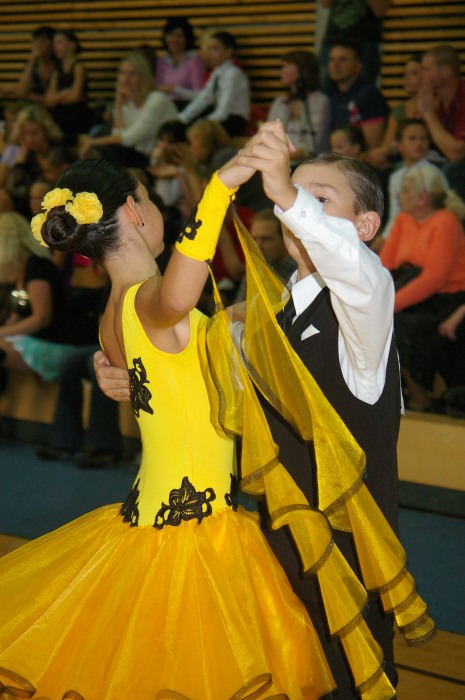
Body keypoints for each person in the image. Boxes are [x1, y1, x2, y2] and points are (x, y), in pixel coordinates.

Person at [95, 123, 435, 698]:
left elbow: (357, 269)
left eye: (319, 199)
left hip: (349, 559)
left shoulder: (366, 299)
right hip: (275, 552)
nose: (296, 209)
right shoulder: (266, 316)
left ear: (364, 227)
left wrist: (282, 189)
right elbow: (193, 369)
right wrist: (122, 375)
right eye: (292, 197)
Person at [0, 130, 338, 699]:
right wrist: (219, 187)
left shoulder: (115, 312)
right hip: (192, 534)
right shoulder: (147, 299)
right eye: (152, 200)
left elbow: (204, 334)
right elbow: (180, 301)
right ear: (134, 211)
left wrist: (300, 291)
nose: (158, 210)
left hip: (153, 518)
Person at [379, 164, 465, 412]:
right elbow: (385, 265)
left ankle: (419, 394)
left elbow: (434, 278)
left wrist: (389, 305)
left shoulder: (446, 222)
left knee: (402, 324)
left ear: (423, 197)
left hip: (446, 299)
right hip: (409, 289)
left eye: (406, 190)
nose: (399, 195)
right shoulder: (404, 219)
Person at [0, 210, 76, 389]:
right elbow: (18, 316)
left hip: (51, 345)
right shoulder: (19, 272)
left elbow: (41, 318)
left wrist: (2, 332)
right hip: (30, 342)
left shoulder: (38, 268)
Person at [79, 52, 178, 169]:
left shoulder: (157, 99)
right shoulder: (127, 104)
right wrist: (118, 105)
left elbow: (128, 139)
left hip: (164, 159)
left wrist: (91, 142)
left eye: (132, 74)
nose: (126, 79)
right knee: (111, 151)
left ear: (143, 77)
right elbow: (118, 136)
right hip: (142, 157)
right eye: (123, 73)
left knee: (111, 151)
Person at [380, 118, 448, 241]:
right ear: (399, 146)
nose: (419, 143)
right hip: (402, 231)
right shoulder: (396, 177)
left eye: (423, 138)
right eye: (412, 139)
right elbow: (395, 215)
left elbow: (442, 209)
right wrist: (385, 240)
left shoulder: (434, 173)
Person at [179, 31, 250, 137]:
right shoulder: (216, 72)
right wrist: (181, 118)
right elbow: (204, 98)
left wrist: (199, 124)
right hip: (222, 118)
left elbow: (223, 112)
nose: (210, 53)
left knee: (194, 133)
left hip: (234, 121)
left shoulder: (233, 74)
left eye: (215, 48)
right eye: (209, 48)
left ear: (229, 52)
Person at [417, 43, 465, 199]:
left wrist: (428, 115)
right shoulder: (434, 99)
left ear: (446, 72)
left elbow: (456, 154)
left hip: (457, 166)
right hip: (446, 160)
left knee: (452, 170)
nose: (421, 75)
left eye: (426, 69)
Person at [267, 50, 331, 159]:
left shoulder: (320, 101)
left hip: (309, 162)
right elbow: (268, 135)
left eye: (286, 66)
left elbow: (312, 146)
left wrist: (277, 156)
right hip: (279, 158)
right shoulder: (280, 101)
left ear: (304, 71)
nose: (281, 71)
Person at [0, 104, 62, 217]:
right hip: (27, 207)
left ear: (45, 131)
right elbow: (13, 189)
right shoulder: (26, 157)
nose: (30, 138)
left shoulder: (57, 152)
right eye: (26, 134)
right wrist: (20, 163)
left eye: (34, 133)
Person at [364, 54, 423, 170]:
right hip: (400, 160)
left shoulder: (438, 106)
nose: (407, 78)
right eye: (405, 74)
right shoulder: (400, 110)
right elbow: (387, 145)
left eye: (414, 73)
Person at [318, 0, 392, 92]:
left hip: (364, 40)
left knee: (362, 90)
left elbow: (380, 11)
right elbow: (325, 4)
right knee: (323, 87)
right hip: (335, 37)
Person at [328, 40, 389, 149]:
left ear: (358, 66)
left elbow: (371, 146)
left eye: (342, 60)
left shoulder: (369, 95)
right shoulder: (333, 96)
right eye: (332, 60)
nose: (335, 65)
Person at [234, 208, 297, 303]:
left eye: (266, 239)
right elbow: (239, 305)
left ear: (285, 240)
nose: (257, 246)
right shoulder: (256, 267)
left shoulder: (299, 271)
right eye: (254, 239)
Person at [44, 30, 94, 146]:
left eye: (59, 42)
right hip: (59, 114)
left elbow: (75, 96)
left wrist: (57, 98)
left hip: (77, 114)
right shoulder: (56, 72)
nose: (55, 47)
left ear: (72, 45)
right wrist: (64, 94)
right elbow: (48, 101)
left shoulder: (78, 67)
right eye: (54, 43)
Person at [155, 16, 206, 110]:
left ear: (187, 38)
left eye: (179, 35)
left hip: (186, 108)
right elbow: (156, 89)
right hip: (163, 107)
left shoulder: (194, 61)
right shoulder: (161, 61)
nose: (174, 40)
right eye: (171, 35)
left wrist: (175, 89)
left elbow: (200, 95)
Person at [0, 26, 57, 105]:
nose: (38, 45)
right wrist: (32, 59)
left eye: (43, 41)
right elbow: (22, 91)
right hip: (30, 106)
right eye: (35, 41)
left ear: (52, 44)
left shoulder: (58, 66)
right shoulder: (33, 65)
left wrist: (19, 92)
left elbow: (49, 100)